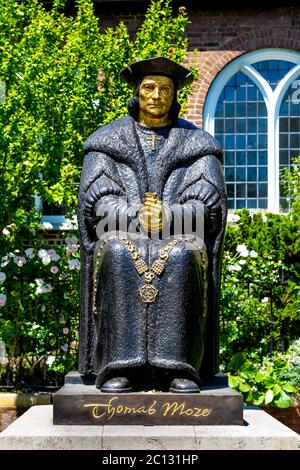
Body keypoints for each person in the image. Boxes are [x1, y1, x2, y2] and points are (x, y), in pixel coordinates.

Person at [78, 57, 227, 393]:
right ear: (137, 93)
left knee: (182, 256)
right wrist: (135, 216)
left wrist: (169, 217)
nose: (156, 95)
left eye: (165, 89)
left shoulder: (197, 145)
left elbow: (209, 204)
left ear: (175, 97)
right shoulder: (106, 141)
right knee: (117, 253)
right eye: (149, 87)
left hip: (178, 236)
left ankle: (178, 368)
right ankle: (119, 366)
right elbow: (95, 201)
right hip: (121, 233)